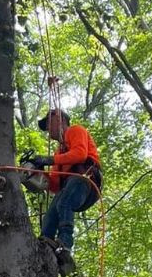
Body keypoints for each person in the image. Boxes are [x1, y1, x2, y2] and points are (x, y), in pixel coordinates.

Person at [26, 108, 101, 253]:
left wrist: (49, 160)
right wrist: (38, 172)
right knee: (50, 215)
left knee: (64, 200)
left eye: (49, 123)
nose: (48, 129)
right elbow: (54, 185)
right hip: (71, 188)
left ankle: (65, 244)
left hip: (86, 180)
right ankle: (45, 247)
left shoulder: (75, 130)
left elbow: (80, 154)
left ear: (60, 118)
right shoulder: (59, 154)